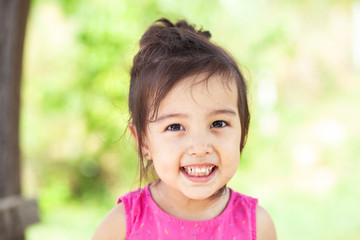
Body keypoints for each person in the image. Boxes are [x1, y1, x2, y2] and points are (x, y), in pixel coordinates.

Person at [92, 18, 277, 240]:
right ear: (144, 142)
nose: (200, 148)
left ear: (242, 129)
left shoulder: (256, 225)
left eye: (218, 124)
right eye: (176, 126)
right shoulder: (123, 225)